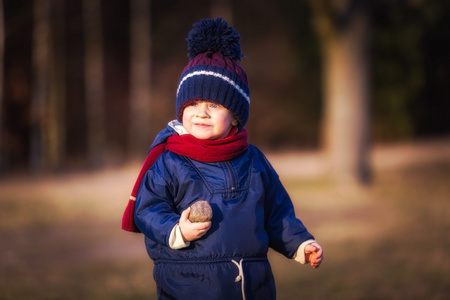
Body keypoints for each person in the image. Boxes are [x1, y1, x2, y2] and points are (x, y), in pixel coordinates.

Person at [123, 18, 323, 300]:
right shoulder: (169, 161)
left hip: (252, 287)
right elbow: (147, 210)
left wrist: (301, 244)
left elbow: (277, 213)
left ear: (235, 117)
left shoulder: (253, 160)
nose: (201, 113)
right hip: (188, 284)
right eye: (192, 104)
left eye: (214, 105)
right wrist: (177, 230)